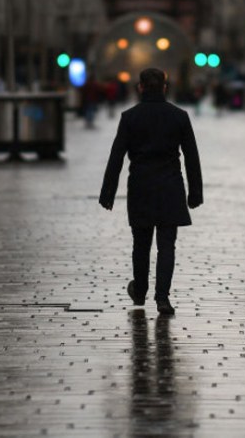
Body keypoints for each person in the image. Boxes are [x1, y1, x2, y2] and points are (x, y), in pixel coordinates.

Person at [100, 68, 203, 315]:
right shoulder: (179, 116)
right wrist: (195, 193)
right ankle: (162, 298)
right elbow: (191, 157)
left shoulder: (130, 117)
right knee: (167, 245)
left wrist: (108, 192)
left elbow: (116, 157)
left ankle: (140, 291)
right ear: (165, 88)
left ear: (140, 88)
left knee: (141, 243)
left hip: (140, 187)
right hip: (170, 187)